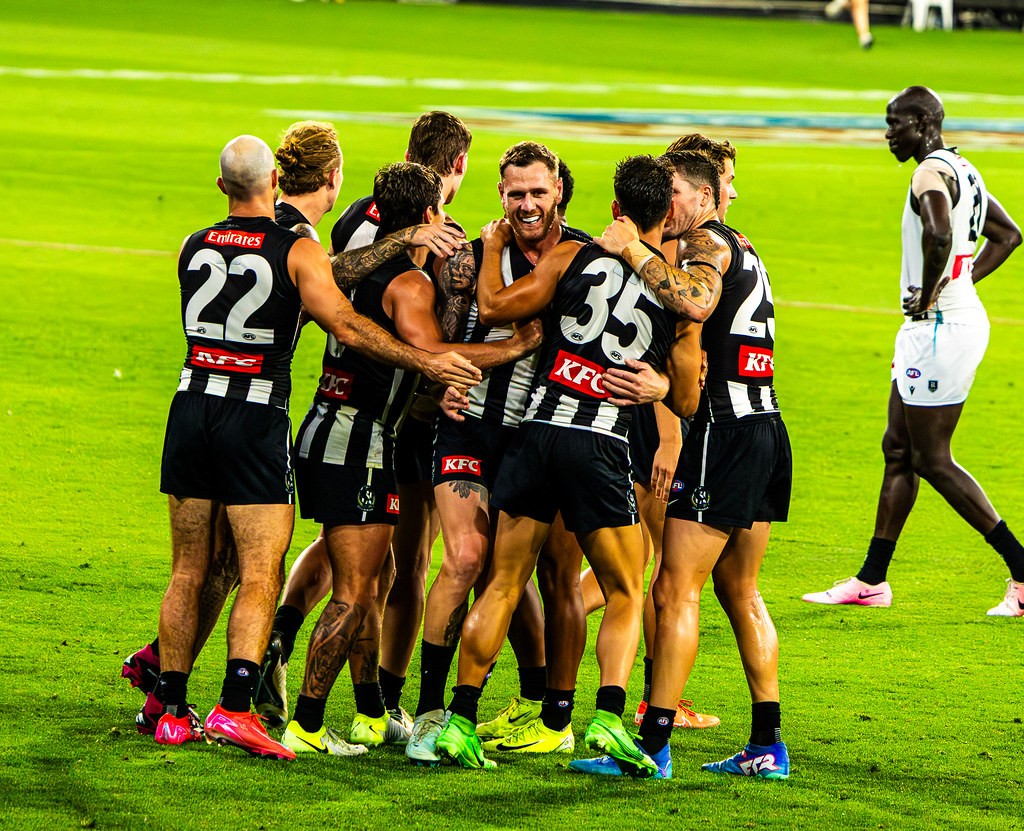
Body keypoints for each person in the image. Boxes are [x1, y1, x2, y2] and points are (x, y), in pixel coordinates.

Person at [123, 120, 467, 731]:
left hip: (191, 402)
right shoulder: (297, 246)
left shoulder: (192, 244)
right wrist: (426, 361)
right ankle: (236, 705)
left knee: (195, 567)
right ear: (310, 178)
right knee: (257, 568)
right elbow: (344, 321)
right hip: (255, 411)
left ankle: (168, 700)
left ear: (223, 185)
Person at [434, 154, 699, 772]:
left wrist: (493, 247)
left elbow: (495, 308)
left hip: (536, 433)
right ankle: (607, 717)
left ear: (615, 208)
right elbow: (687, 399)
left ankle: (459, 720)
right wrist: (661, 386)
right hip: (599, 444)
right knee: (626, 588)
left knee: (503, 582)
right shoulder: (679, 295)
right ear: (668, 214)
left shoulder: (572, 254)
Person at [280, 162, 540, 757]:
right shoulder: (410, 284)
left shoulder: (354, 267)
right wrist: (515, 346)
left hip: (328, 425)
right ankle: (307, 722)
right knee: (354, 590)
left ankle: (371, 709)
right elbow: (434, 352)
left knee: (378, 578)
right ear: (429, 216)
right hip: (359, 439)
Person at [571, 148, 791, 780]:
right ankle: (768, 744)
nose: (665, 205)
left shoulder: (707, 243)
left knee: (673, 588)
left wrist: (632, 251)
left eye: (674, 193)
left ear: (703, 196)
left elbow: (695, 302)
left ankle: (654, 745)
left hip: (723, 432)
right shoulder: (743, 246)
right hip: (765, 427)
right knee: (739, 589)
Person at [254, 112, 474, 731]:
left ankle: (299, 650)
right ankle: (373, 707)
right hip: (391, 419)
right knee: (392, 567)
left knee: (353, 552)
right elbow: (433, 343)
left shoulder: (354, 216)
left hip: (334, 405)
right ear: (457, 166)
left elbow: (334, 278)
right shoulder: (434, 247)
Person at [803, 86, 1024, 616]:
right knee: (898, 449)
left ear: (923, 123)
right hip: (942, 322)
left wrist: (929, 293)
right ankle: (871, 580)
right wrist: (958, 284)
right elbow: (1008, 235)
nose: (887, 134)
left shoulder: (928, 173)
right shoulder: (964, 169)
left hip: (940, 327)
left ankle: (1021, 568)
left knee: (932, 459)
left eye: (894, 123)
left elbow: (939, 232)